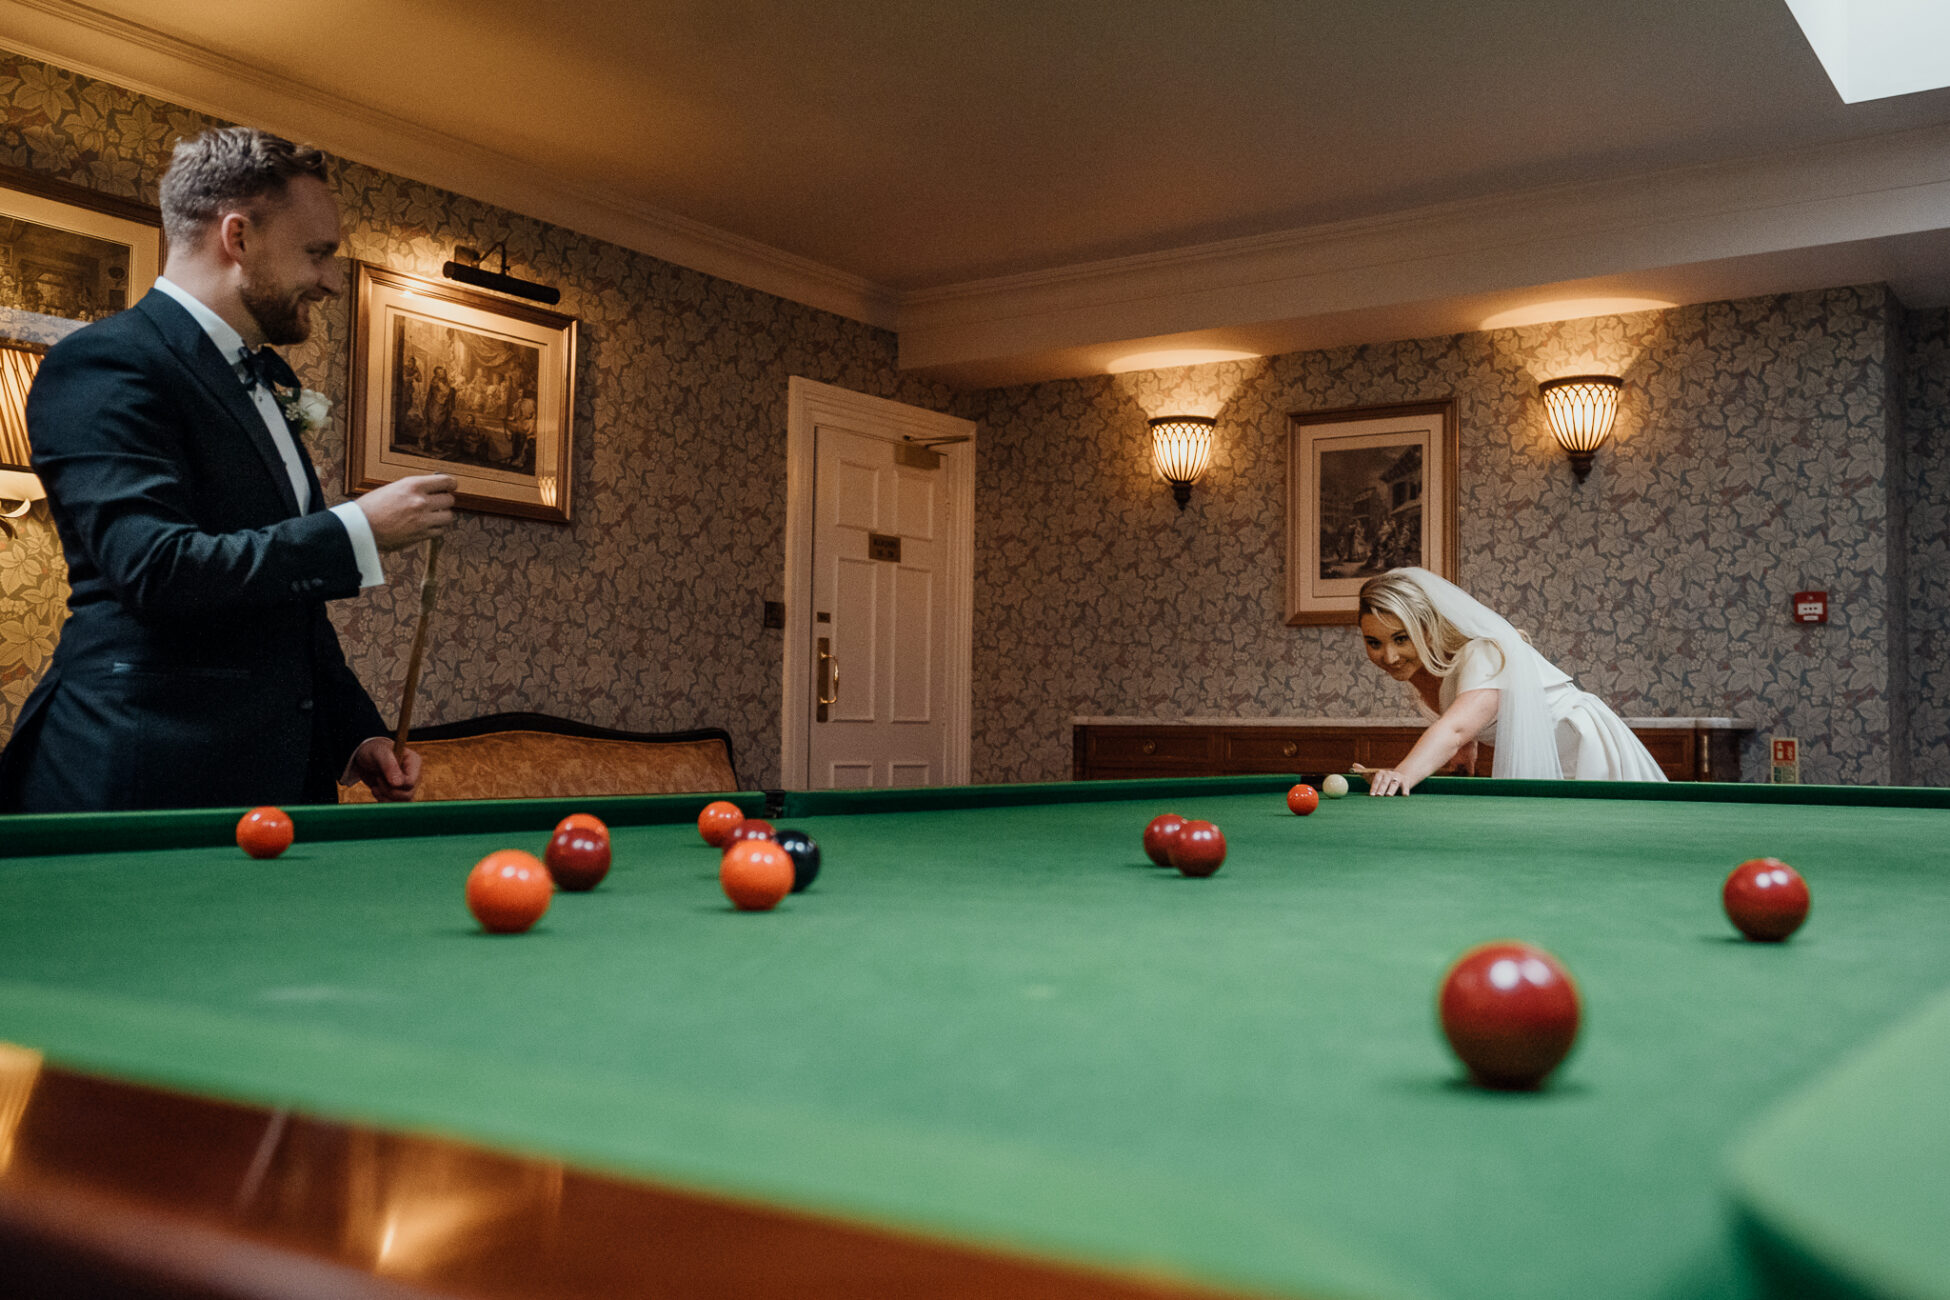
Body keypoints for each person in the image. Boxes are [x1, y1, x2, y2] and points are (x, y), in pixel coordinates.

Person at [0, 126, 457, 813]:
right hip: (137, 780)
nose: (331, 280)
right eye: (317, 253)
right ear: (237, 237)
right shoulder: (105, 362)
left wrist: (354, 732)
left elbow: (284, 613)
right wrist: (354, 531)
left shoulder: (261, 383)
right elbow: (155, 567)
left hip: (268, 786)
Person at [1356, 567, 1666, 795]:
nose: (1390, 656)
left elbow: (1456, 728)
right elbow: (1464, 731)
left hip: (1586, 749)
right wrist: (1461, 762)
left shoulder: (1484, 652)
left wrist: (1403, 774)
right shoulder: (1428, 668)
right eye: (1374, 643)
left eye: (1401, 638)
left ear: (1427, 629)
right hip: (1555, 758)